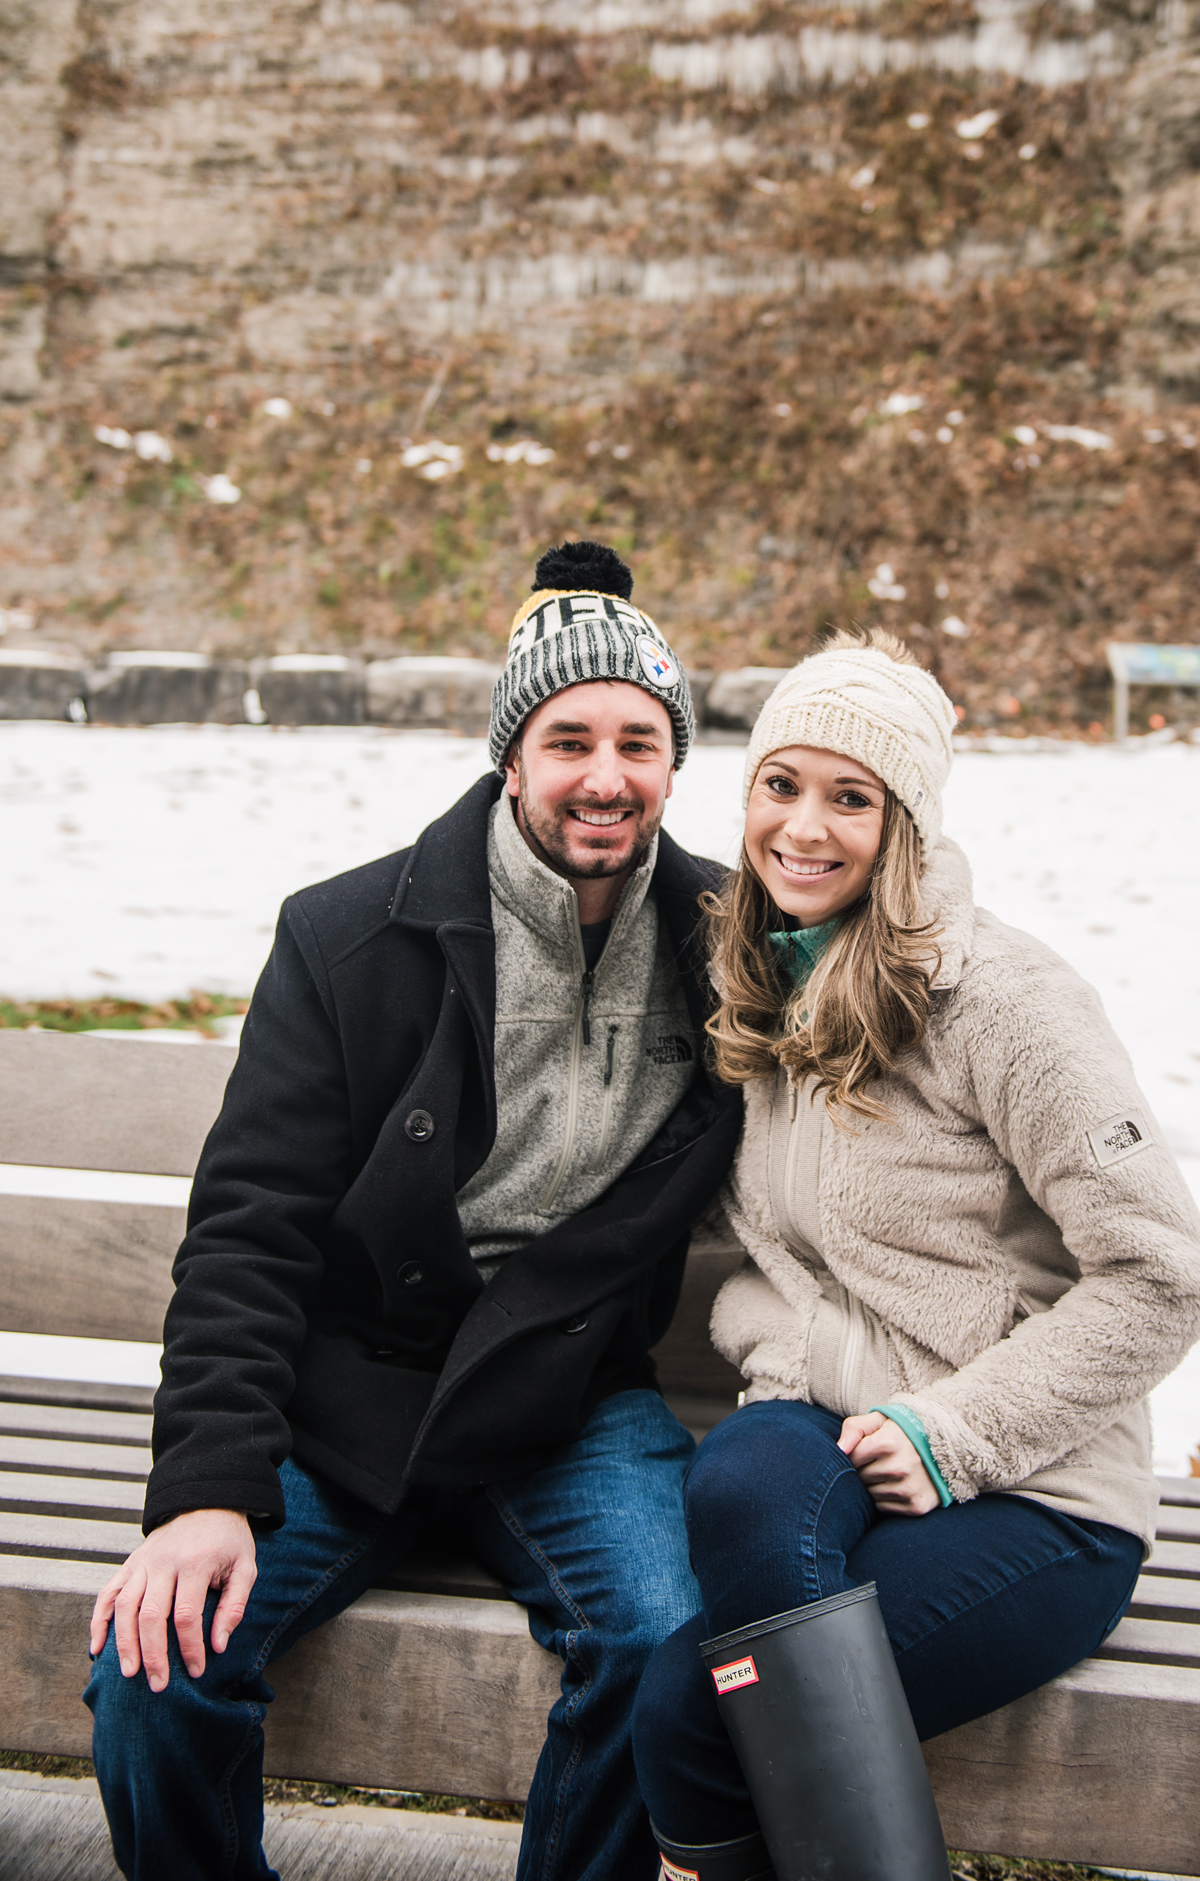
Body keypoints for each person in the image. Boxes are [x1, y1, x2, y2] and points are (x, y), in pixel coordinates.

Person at [84, 540, 742, 1881]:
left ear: (675, 760)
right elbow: (249, 1227)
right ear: (511, 755)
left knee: (668, 1648)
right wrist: (207, 1489)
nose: (605, 776)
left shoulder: (731, 954)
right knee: (155, 1665)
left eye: (639, 739)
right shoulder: (348, 938)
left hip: (567, 1404)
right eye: (569, 739)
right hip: (343, 1400)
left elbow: (896, 967)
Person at [632, 628, 1200, 1881]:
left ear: (903, 825)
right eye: (779, 784)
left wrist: (953, 1436)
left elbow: (1163, 1272)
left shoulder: (1004, 1002)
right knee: (735, 1485)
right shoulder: (759, 969)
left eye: (851, 797)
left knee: (692, 1708)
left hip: (1033, 1482)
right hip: (819, 1410)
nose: (804, 827)